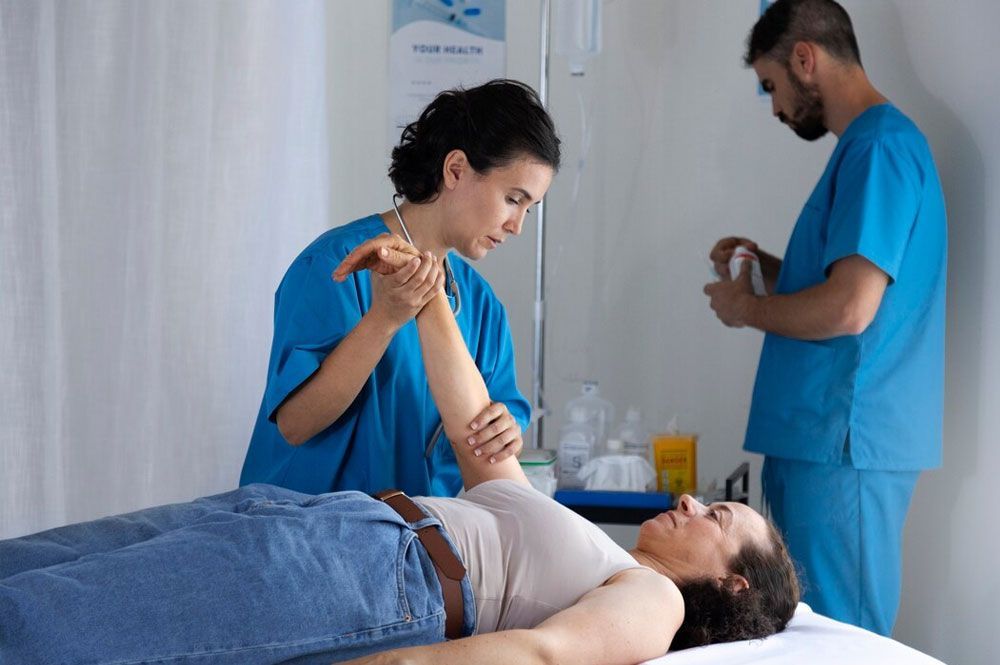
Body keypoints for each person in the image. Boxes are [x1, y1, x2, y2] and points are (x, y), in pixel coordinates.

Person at [1, 238, 800, 665]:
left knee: (47, 624)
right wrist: (423, 291)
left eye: (717, 513)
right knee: (36, 566)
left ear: (732, 580)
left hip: (376, 570)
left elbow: (542, 654)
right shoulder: (587, 548)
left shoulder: (653, 600)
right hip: (321, 522)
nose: (692, 501)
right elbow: (473, 437)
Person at [703, 0, 946, 636]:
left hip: (844, 440)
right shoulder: (863, 151)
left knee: (842, 636)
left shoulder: (882, 150)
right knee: (804, 634)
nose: (777, 107)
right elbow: (844, 283)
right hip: (819, 440)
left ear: (805, 60)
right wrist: (770, 268)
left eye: (772, 85)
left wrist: (744, 308)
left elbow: (849, 307)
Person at [239, 79, 560, 497]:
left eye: (529, 210)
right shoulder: (335, 265)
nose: (517, 226)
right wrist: (384, 320)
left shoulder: (481, 308)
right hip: (302, 531)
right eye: (513, 199)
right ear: (456, 169)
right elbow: (296, 425)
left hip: (411, 544)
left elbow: (503, 416)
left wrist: (506, 429)